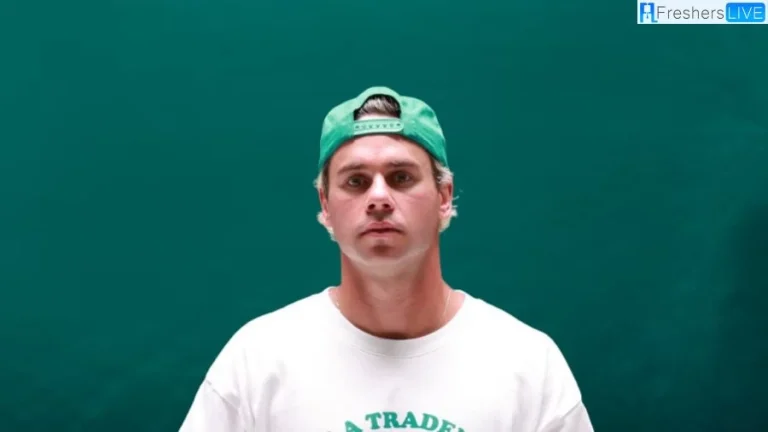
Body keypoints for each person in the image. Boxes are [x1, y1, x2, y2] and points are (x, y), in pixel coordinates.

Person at [179, 86, 594, 432]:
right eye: (356, 181)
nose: (378, 197)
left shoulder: (526, 363)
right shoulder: (259, 360)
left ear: (444, 197)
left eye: (401, 177)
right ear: (325, 204)